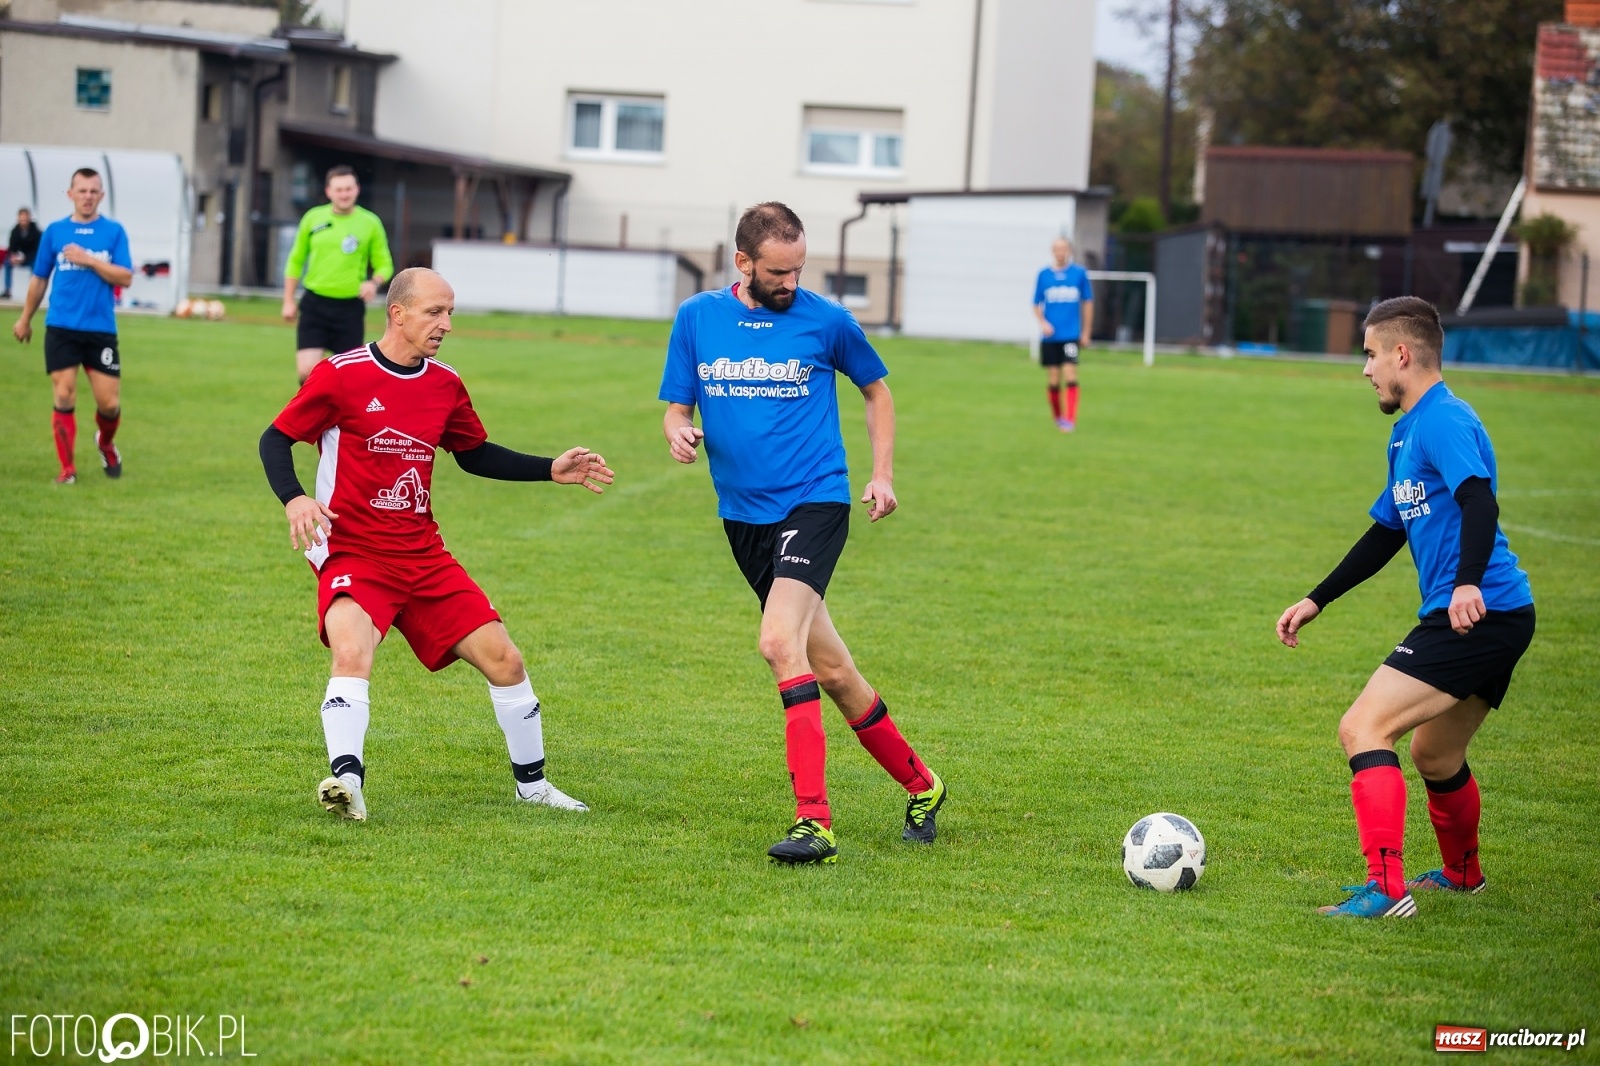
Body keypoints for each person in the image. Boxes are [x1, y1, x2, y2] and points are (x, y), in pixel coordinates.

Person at [259, 267, 612, 821]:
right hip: (353, 550)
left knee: (506, 660)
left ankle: (534, 787)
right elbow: (275, 437)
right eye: (435, 312)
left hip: (423, 555)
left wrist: (550, 469)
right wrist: (294, 498)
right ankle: (347, 780)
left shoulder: (444, 383)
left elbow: (473, 453)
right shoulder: (340, 375)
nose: (446, 324)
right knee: (351, 652)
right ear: (398, 314)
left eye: (450, 312)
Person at [660, 202, 946, 866]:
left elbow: (878, 392)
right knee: (835, 670)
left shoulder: (827, 321)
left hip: (816, 502)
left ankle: (814, 821)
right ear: (743, 264)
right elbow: (678, 405)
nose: (791, 283)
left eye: (798, 270)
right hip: (744, 517)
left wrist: (881, 474)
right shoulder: (698, 319)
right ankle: (923, 784)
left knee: (776, 640)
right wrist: (676, 429)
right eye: (778, 272)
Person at [1275, 296, 1535, 919]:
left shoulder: (1444, 420)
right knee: (1434, 754)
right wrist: (1318, 598)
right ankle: (1462, 875)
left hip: (1479, 610)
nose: (1365, 370)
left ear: (1402, 353)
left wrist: (1467, 583)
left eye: (1369, 354)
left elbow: (1479, 501)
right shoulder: (1407, 432)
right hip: (1493, 611)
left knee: (1363, 728)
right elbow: (1387, 532)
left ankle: (1387, 889)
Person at [11, 170, 133, 484]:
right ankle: (67, 470)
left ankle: (105, 443)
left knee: (109, 404)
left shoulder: (114, 232)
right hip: (61, 327)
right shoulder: (55, 231)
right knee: (64, 395)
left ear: (101, 196)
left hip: (100, 329)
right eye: (82, 190)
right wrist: (25, 319)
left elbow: (125, 277)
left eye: (94, 191)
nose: (88, 196)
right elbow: (39, 280)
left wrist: (89, 259)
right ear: (70, 194)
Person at [281, 165, 394, 384]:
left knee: (349, 377)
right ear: (329, 192)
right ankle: (317, 416)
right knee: (307, 371)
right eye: (339, 189)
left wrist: (374, 282)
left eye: (348, 189)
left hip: (349, 309)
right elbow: (295, 260)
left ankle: (337, 417)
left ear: (357, 189)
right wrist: (288, 300)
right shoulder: (313, 218)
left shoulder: (370, 223)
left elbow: (385, 264)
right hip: (315, 303)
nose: (344, 194)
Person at [1033, 238, 1094, 432]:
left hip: (1070, 336)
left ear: (1069, 251)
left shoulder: (1079, 274)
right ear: (1052, 251)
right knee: (1053, 378)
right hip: (1051, 337)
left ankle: (1070, 419)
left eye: (1064, 249)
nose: (1060, 252)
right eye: (1057, 249)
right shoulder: (1043, 275)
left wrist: (1086, 332)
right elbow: (1035, 303)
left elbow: (1088, 302)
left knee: (1070, 373)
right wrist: (1043, 323)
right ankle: (1058, 416)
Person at [5, 207, 41, 299]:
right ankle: (7, 290)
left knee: (35, 266)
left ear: (29, 218)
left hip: (31, 258)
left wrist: (26, 257)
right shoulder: (15, 231)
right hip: (19, 258)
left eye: (25, 218)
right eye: (21, 218)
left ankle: (33, 291)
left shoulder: (36, 231)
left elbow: (37, 250)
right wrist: (13, 256)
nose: (23, 221)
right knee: (7, 263)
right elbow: (12, 247)